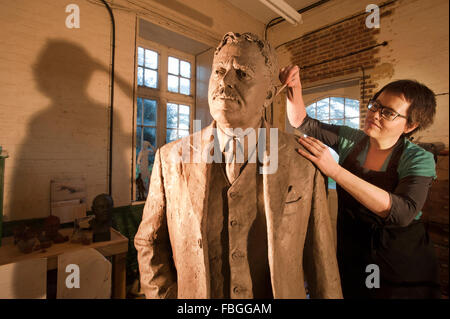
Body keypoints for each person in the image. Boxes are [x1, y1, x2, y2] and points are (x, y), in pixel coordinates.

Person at [134, 32, 342, 299]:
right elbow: (150, 243)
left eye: (242, 74)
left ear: (268, 95)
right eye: (219, 71)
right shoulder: (171, 159)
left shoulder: (302, 159)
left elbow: (321, 256)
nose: (224, 81)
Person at [279, 65, 441, 298]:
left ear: (410, 125)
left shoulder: (417, 157)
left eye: (388, 112)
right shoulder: (351, 139)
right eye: (375, 105)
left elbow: (402, 212)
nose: (374, 114)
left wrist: (334, 171)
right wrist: (294, 89)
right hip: (353, 247)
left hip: (398, 259)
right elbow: (302, 122)